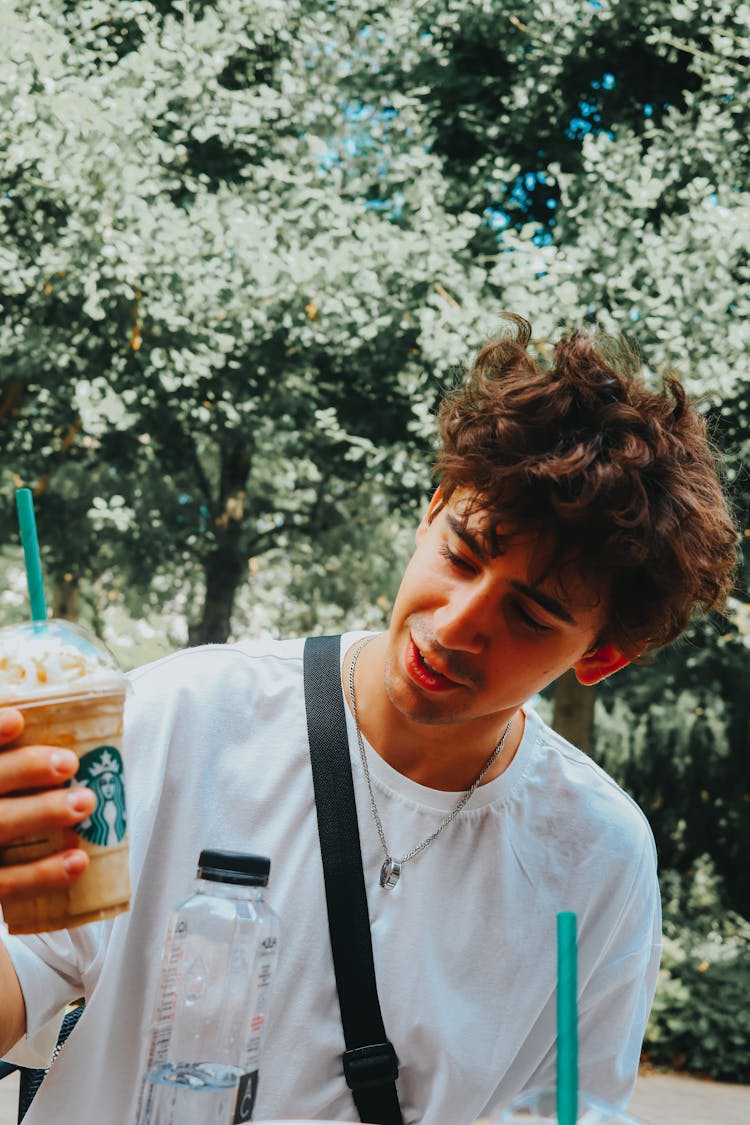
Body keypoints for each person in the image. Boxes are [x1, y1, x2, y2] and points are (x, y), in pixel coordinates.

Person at [0, 315, 738, 1125]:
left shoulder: (597, 855)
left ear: (600, 658)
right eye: (461, 553)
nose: (455, 624)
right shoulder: (186, 717)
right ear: (431, 512)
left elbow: (573, 1108)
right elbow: (21, 984)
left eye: (529, 614)